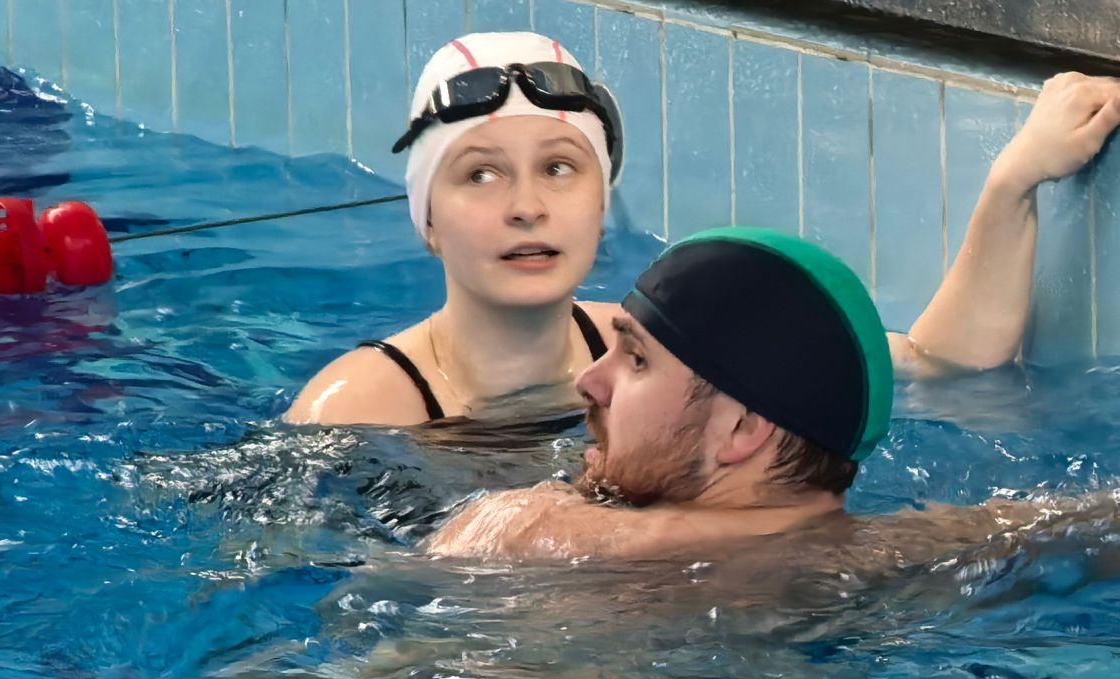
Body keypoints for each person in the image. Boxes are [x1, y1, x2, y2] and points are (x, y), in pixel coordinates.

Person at [285, 32, 1120, 427]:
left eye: (560, 168)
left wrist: (1015, 181)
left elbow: (946, 362)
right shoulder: (357, 408)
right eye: (480, 174)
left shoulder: (663, 348)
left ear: (602, 204)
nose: (527, 206)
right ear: (427, 219)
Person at [424, 227, 1120, 560]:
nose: (588, 380)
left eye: (634, 361)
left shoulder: (525, 533)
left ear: (741, 430)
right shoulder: (907, 559)